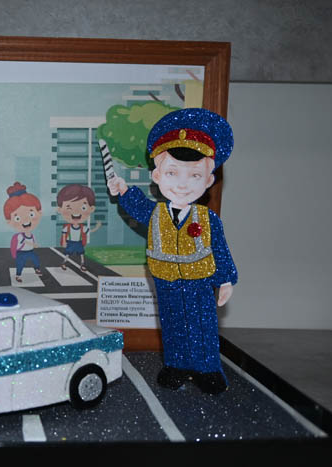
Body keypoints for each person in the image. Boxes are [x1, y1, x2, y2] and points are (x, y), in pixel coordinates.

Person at [107, 108, 237, 394]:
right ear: (157, 175)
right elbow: (137, 206)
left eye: (194, 175)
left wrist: (226, 280)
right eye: (172, 173)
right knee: (173, 324)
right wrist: (123, 190)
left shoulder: (208, 219)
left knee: (202, 326)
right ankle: (176, 365)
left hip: (200, 283)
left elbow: (220, 248)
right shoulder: (155, 213)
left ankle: (207, 369)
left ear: (208, 181)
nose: (182, 183)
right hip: (166, 282)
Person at [56, 184, 102, 271]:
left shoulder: (82, 227)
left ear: (91, 208)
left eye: (83, 207)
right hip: (70, 242)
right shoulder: (68, 227)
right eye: (69, 207)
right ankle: (64, 263)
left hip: (78, 242)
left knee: (81, 254)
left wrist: (97, 227)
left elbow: (90, 231)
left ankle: (82, 264)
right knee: (68, 253)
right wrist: (64, 242)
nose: (76, 212)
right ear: (60, 209)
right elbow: (64, 234)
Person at [4, 182, 43, 283]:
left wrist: (33, 244)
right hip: (21, 253)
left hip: (30, 251)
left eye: (31, 214)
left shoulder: (31, 234)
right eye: (17, 218)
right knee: (20, 264)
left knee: (36, 259)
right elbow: (24, 242)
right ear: (9, 221)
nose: (26, 221)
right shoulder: (19, 236)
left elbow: (32, 241)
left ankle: (37, 269)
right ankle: (18, 275)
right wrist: (33, 244)